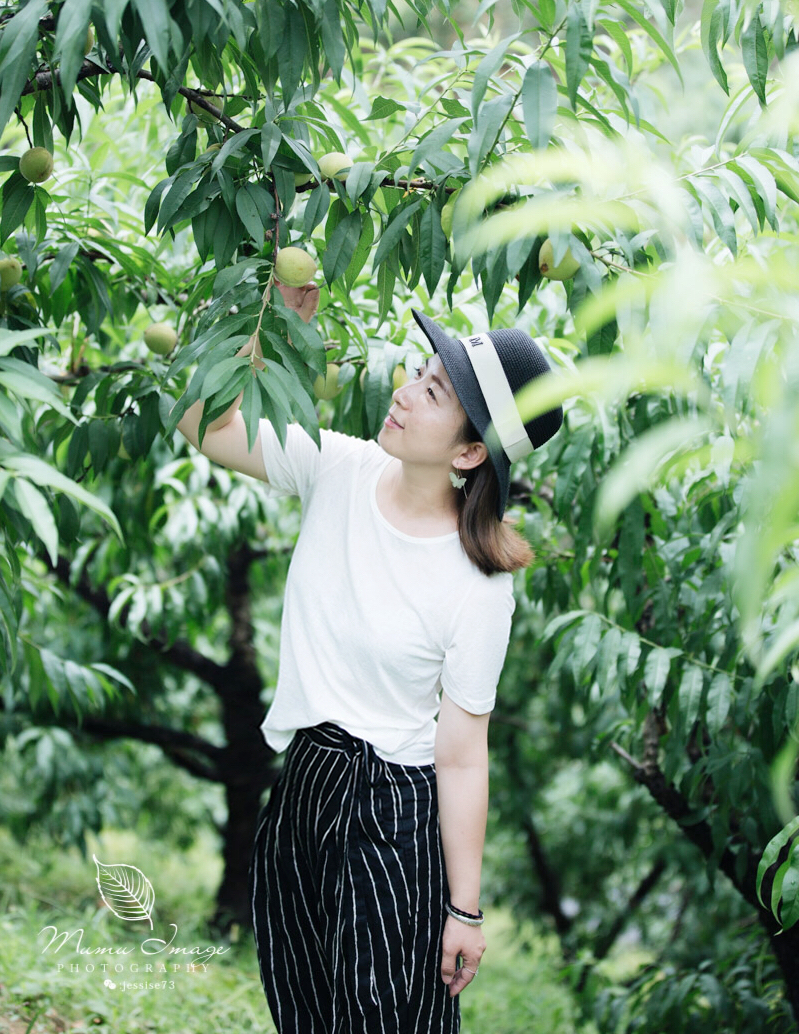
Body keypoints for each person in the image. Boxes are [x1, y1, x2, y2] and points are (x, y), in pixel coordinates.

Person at [174, 280, 563, 1033]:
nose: (407, 392)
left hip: (394, 814)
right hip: (302, 792)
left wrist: (465, 908)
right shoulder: (338, 469)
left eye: (436, 392)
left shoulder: (479, 585)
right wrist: (268, 327)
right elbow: (201, 421)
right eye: (421, 373)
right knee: (305, 1014)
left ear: (469, 450)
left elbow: (461, 756)